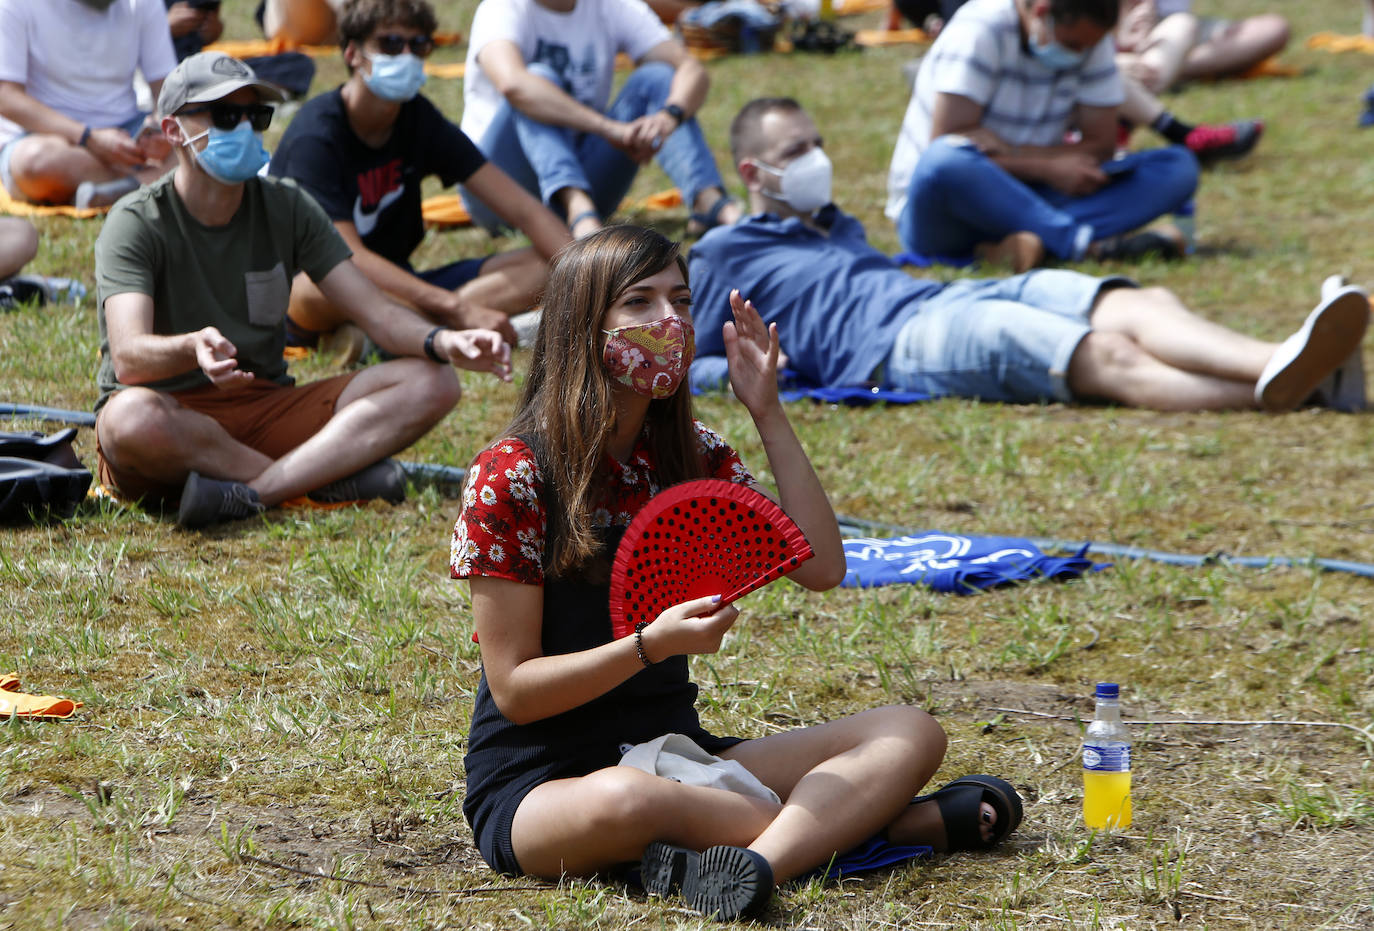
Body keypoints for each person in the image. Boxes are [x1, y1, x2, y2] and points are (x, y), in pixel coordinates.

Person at [451, 224, 1023, 921]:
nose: (670, 320)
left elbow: (820, 566)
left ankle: (755, 866)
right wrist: (649, 646)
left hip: (680, 753)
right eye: (640, 302)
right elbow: (515, 691)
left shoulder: (692, 456)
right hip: (542, 783)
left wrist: (768, 410)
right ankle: (885, 826)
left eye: (682, 299)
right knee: (626, 799)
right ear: (582, 326)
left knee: (910, 730)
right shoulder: (510, 472)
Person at [689, 97, 1370, 414]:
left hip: (939, 299)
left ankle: (1288, 358)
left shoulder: (838, 224)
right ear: (752, 172)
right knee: (1100, 352)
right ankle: (1296, 382)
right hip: (898, 345)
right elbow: (689, 365)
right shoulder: (722, 252)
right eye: (793, 153)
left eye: (816, 142)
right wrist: (763, 372)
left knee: (1130, 300)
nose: (814, 159)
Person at [94, 51, 512, 529]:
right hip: (169, 419)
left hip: (266, 407)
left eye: (257, 116)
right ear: (173, 131)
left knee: (435, 380)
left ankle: (258, 492)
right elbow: (128, 358)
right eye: (227, 115)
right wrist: (193, 348)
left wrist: (443, 341)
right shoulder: (135, 220)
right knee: (129, 421)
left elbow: (376, 313)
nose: (246, 130)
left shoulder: (287, 206)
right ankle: (318, 479)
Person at [270, 0, 572, 352]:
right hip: (324, 285)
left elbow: (523, 209)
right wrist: (457, 307)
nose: (407, 56)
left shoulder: (417, 118)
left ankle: (390, 334)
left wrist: (591, 276)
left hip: (400, 283)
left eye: (419, 46)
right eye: (391, 44)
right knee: (317, 283)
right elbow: (345, 256)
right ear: (352, 53)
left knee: (548, 266)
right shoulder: (315, 136)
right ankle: (418, 327)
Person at [888, 0, 1198, 266]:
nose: (1082, 55)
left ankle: (1015, 246)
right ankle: (1086, 247)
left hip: (1035, 191)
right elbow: (947, 148)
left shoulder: (1091, 38)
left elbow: (1100, 145)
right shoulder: (979, 30)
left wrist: (1015, 157)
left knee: (1176, 167)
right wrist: (1045, 166)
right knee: (946, 161)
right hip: (945, 208)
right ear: (1041, 10)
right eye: (1073, 45)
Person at [460, 0, 743, 240]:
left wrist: (669, 116)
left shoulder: (612, 6)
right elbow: (514, 84)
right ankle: (577, 210)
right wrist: (609, 129)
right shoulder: (501, 8)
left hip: (588, 176)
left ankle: (710, 203)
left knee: (658, 76)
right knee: (536, 81)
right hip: (498, 192)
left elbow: (690, 68)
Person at [0, 0, 179, 209]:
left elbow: (167, 89)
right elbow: (6, 97)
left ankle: (126, 188)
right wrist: (88, 137)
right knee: (33, 162)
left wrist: (160, 126)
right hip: (47, 137)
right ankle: (153, 181)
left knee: (206, 136)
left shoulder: (143, 3)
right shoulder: (15, 4)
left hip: (130, 133)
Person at [1116, 0, 1289, 91]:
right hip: (1120, 26)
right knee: (1182, 25)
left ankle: (1159, 69)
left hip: (1182, 26)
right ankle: (1150, 70)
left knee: (1273, 29)